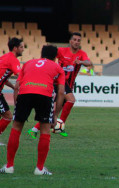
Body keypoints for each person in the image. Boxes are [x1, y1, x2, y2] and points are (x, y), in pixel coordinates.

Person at [0, 45, 65, 175]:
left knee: (17, 127)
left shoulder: (28, 63)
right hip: (44, 95)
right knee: (45, 130)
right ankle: (39, 169)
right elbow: (61, 92)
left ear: (42, 54)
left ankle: (9, 166)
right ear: (55, 57)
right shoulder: (58, 68)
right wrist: (56, 114)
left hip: (25, 93)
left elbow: (17, 86)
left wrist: (17, 105)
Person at [28, 32, 91, 138]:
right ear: (70, 41)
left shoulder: (81, 53)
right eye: (74, 40)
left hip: (69, 84)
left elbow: (89, 63)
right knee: (71, 100)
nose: (76, 42)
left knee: (55, 110)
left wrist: (81, 62)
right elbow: (48, 56)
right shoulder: (62, 51)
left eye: (78, 40)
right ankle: (60, 126)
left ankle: (33, 129)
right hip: (59, 82)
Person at [0, 38, 24, 145]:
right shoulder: (13, 60)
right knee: (8, 116)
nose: (23, 50)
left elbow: (3, 77)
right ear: (15, 48)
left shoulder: (5, 57)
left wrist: (13, 87)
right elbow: (21, 75)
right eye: (21, 47)